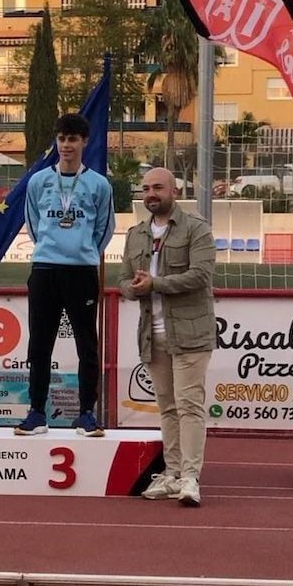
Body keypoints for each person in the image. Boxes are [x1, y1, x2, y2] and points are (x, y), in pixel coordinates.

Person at [119, 167, 216, 507]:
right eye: (145, 188)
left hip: (190, 333)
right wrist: (132, 289)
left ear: (175, 191)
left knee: (189, 406)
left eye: (158, 187)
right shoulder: (136, 234)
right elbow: (122, 279)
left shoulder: (196, 230)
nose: (151, 194)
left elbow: (201, 276)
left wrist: (155, 285)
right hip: (152, 335)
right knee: (168, 408)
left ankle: (191, 477)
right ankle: (172, 473)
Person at [14, 113, 114, 437]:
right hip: (45, 269)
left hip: (82, 272)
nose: (66, 145)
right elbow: (32, 223)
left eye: (73, 139)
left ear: (84, 142)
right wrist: (52, 248)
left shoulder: (99, 185)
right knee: (40, 344)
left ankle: (86, 414)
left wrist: (82, 251)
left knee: (87, 343)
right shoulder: (39, 181)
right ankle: (37, 412)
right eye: (62, 139)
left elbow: (104, 228)